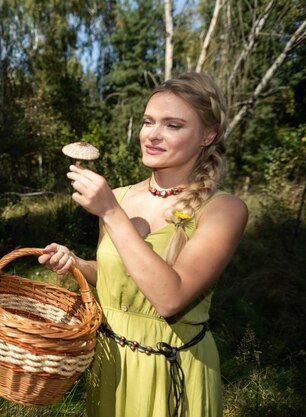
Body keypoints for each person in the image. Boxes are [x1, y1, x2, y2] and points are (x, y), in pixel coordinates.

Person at [38, 72, 248, 417]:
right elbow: (115, 275)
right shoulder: (120, 195)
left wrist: (111, 212)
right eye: (148, 121)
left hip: (172, 369)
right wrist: (75, 262)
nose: (152, 135)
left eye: (173, 125)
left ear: (207, 135)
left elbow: (170, 298)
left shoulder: (224, 210)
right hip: (111, 365)